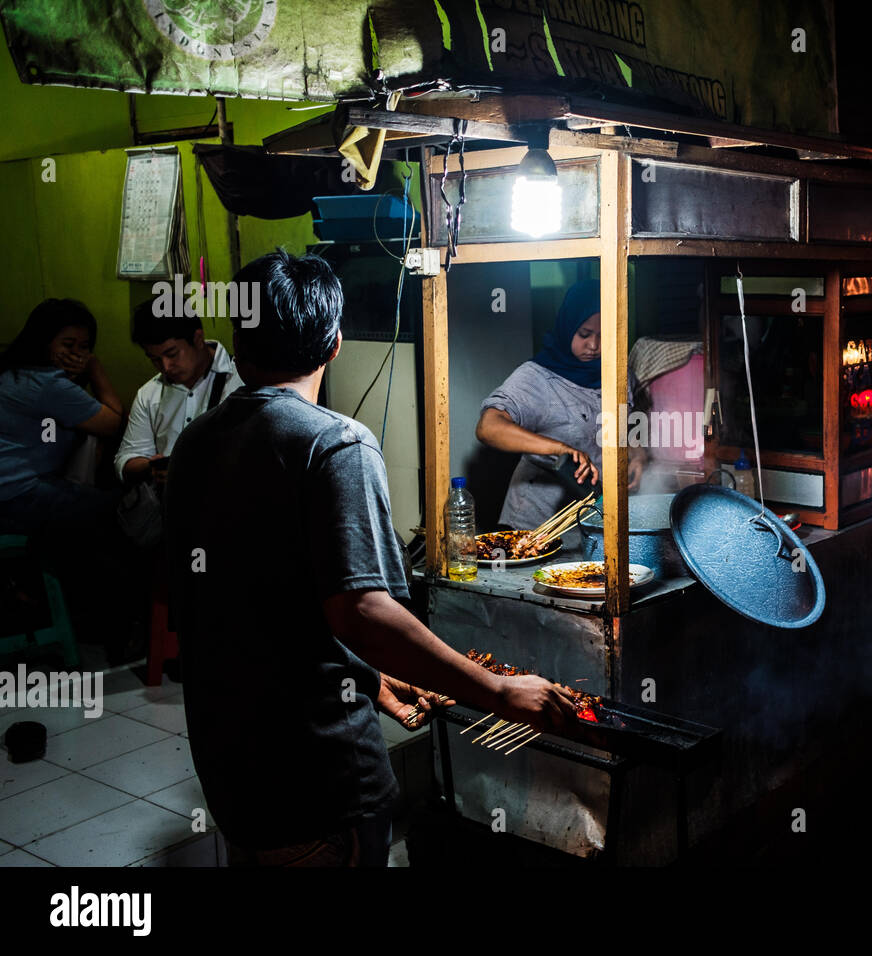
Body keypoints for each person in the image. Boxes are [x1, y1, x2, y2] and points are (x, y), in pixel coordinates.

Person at [165, 251, 575, 866]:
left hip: (232, 769)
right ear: (334, 344)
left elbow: (251, 605)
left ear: (239, 346)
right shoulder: (336, 444)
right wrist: (498, 692)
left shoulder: (195, 443)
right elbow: (363, 613)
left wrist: (369, 679)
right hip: (316, 781)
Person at [475, 279, 645, 530]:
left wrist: (637, 456)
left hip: (592, 520)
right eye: (584, 334)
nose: (594, 346)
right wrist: (559, 449)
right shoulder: (537, 377)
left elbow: (623, 429)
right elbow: (488, 428)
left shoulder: (619, 373)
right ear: (568, 327)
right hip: (536, 526)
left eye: (603, 335)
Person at [0, 299, 124, 534]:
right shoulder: (47, 384)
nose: (77, 354)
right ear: (43, 343)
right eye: (68, 345)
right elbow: (113, 423)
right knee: (120, 510)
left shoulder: (15, 371)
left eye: (85, 347)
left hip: (12, 486)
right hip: (17, 492)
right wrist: (94, 367)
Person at [114, 303, 242, 485]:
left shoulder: (241, 378)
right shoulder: (149, 394)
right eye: (155, 359)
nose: (165, 367)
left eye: (172, 354)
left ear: (198, 338)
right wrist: (153, 468)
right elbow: (125, 461)